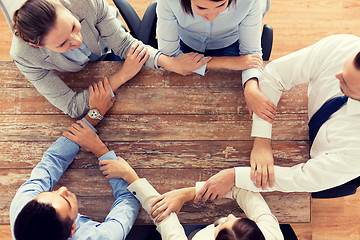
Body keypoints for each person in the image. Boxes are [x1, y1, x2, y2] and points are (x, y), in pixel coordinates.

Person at [192, 34, 360, 201]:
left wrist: (234, 177)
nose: (337, 75)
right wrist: (262, 140)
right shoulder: (344, 47)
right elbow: (274, 74)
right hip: (303, 118)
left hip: (330, 166)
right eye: (343, 69)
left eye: (345, 82)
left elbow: (302, 179)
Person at [11, 0, 210, 118]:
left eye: (73, 26)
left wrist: (172, 63)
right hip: (86, 71)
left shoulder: (84, 3)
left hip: (108, 44)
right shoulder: (25, 56)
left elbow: (124, 46)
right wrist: (122, 75)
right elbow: (71, 106)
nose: (77, 40)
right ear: (37, 46)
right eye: (62, 44)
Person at [9, 79, 142, 240]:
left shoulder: (23, 209)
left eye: (52, 192)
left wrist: (93, 116)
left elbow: (52, 160)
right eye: (66, 201)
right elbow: (130, 198)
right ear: (73, 230)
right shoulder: (102, 237)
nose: (63, 188)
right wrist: (100, 150)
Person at [156, 0, 276, 123]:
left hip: (230, 42)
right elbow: (170, 58)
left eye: (221, 5)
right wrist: (227, 62)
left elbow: (251, 54)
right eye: (201, 8)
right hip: (186, 43)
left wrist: (251, 87)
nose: (212, 17)